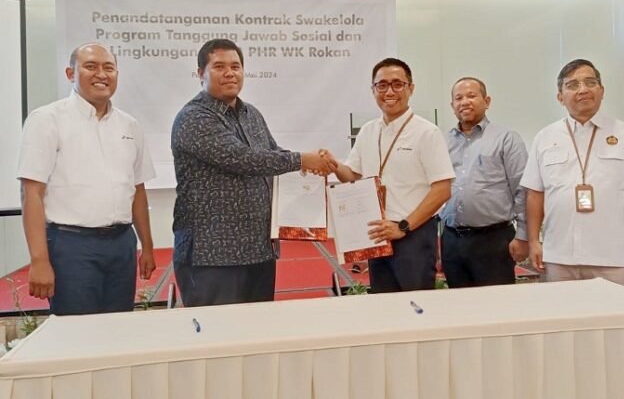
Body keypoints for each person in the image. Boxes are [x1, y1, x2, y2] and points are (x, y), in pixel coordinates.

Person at [171, 39, 334, 307]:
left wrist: (313, 164)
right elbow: (244, 159)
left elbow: (273, 153)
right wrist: (303, 159)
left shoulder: (251, 113)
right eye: (219, 67)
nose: (230, 73)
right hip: (212, 256)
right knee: (218, 332)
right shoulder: (193, 118)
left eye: (236, 66)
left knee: (259, 329)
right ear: (201, 73)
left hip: (258, 251)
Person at [17, 43, 156, 315]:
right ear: (71, 73)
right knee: (76, 330)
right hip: (71, 246)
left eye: (109, 68)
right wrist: (39, 260)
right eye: (91, 67)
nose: (101, 74)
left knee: (118, 326)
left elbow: (137, 189)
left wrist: (147, 246)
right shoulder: (47, 119)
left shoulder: (130, 125)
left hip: (121, 244)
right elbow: (31, 192)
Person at [520, 59, 624, 288]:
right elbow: (535, 194)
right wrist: (533, 241)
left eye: (590, 82)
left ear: (602, 91)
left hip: (616, 257)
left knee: (620, 313)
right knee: (565, 312)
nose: (582, 89)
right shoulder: (545, 138)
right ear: (560, 96)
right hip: (560, 256)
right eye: (572, 85)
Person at [326, 58, 455, 293]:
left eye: (397, 84)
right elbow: (353, 175)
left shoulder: (427, 132)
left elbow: (442, 190)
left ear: (410, 88)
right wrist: (333, 165)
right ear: (373, 90)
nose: (389, 92)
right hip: (377, 234)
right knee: (384, 305)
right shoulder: (368, 131)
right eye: (382, 85)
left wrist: (403, 227)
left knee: (416, 305)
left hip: (413, 235)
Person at [439, 77, 528, 287]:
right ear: (452, 106)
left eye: (471, 96)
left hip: (493, 240)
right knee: (459, 304)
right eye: (458, 98)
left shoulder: (506, 138)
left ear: (487, 101)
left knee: (497, 304)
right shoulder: (443, 141)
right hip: (452, 240)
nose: (464, 102)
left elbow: (523, 190)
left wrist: (523, 236)